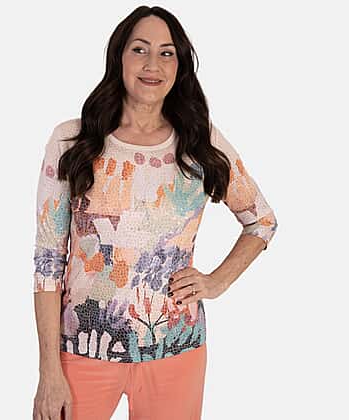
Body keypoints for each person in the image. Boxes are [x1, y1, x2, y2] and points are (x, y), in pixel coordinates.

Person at [32, 5, 278, 420]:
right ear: (119, 57)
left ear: (179, 66)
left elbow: (261, 220)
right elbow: (47, 262)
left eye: (167, 53)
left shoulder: (200, 142)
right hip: (82, 351)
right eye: (140, 49)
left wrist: (216, 282)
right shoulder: (72, 141)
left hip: (176, 350)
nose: (153, 64)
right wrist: (48, 371)